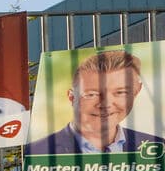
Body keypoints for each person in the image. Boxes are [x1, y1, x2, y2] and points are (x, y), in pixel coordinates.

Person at [25, 49, 159, 155]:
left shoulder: (156, 146)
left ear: (136, 91)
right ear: (72, 97)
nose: (106, 104)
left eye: (120, 93)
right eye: (92, 94)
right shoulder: (38, 152)